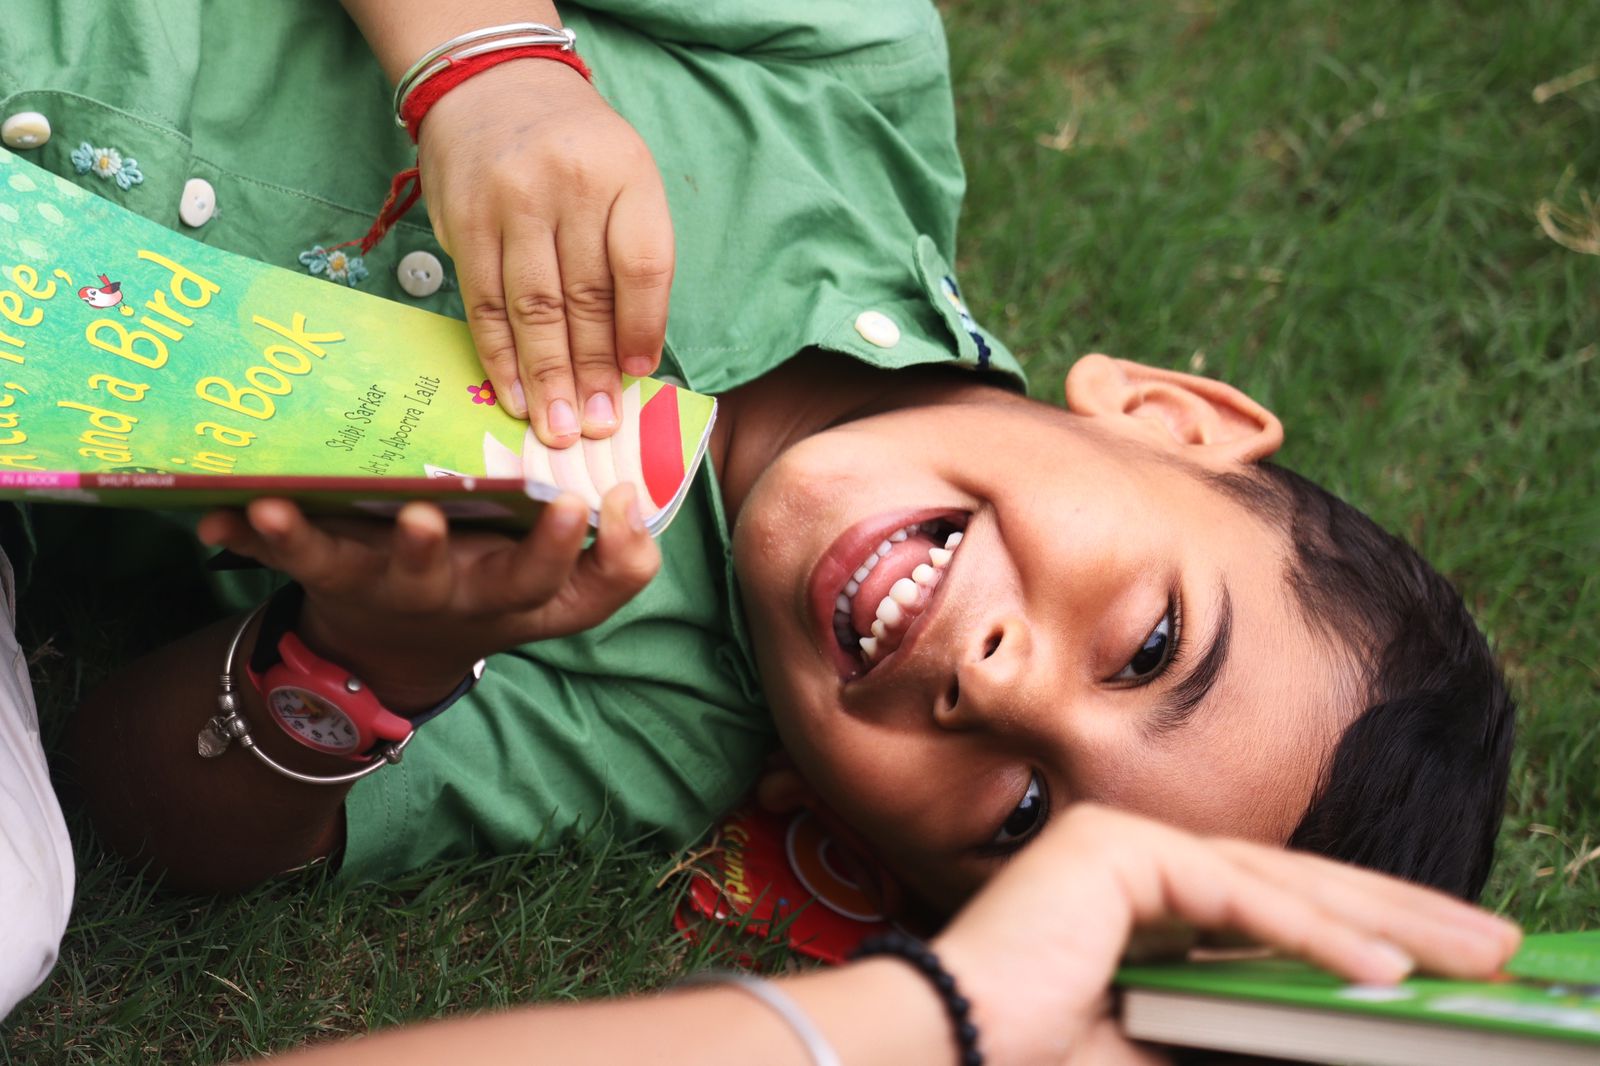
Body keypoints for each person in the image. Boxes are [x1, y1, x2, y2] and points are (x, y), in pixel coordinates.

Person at [0, 0, 1512, 1015]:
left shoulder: (636, 723)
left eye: (1031, 819)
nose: (999, 680)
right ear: (1177, 422)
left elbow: (134, 802)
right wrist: (489, 64)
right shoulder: (851, 87)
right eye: (1146, 643)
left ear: (876, 862)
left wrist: (363, 662)